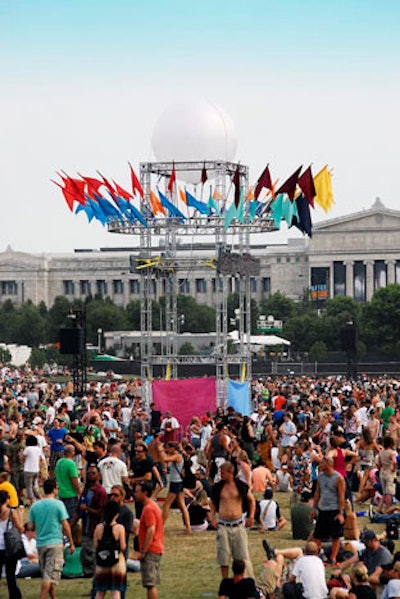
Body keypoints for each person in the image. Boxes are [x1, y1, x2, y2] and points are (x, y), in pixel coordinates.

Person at [28, 478, 75, 599]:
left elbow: (30, 526)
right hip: (55, 543)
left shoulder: (35, 506)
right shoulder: (58, 504)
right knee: (50, 575)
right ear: (54, 489)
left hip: (41, 543)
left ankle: (53, 597)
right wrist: (71, 542)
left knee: (47, 573)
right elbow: (65, 525)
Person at [211, 460, 255, 579]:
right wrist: (212, 517)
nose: (221, 474)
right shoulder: (218, 487)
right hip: (223, 525)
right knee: (223, 557)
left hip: (238, 525)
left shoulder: (240, 486)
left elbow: (251, 500)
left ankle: (243, 581)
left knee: (242, 556)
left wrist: (251, 516)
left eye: (223, 472)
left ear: (231, 472)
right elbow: (213, 503)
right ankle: (225, 581)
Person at [71, 464, 107, 578]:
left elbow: (101, 511)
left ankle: (95, 574)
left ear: (99, 475)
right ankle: (88, 573)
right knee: (85, 552)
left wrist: (87, 509)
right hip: (86, 526)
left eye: (93, 473)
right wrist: (71, 524)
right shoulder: (86, 490)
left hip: (95, 527)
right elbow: (78, 509)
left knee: (92, 552)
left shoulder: (101, 492)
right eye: (89, 473)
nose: (90, 475)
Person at [310, 455, 346, 566]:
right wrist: (314, 508)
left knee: (335, 536)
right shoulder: (320, 477)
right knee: (318, 535)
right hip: (323, 509)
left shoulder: (338, 478)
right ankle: (315, 555)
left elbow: (341, 496)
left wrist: (340, 513)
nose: (320, 465)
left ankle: (333, 558)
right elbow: (317, 493)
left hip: (334, 509)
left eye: (322, 463)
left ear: (329, 464)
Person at [133, 480, 164, 599]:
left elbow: (151, 530)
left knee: (150, 584)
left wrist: (143, 551)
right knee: (151, 583)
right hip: (155, 548)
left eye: (137, 492)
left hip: (151, 550)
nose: (134, 494)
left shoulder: (149, 509)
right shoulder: (151, 506)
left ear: (145, 493)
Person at [93, 500, 127, 599]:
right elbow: (123, 546)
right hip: (116, 563)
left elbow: (95, 545)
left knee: (100, 592)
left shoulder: (98, 528)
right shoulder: (120, 528)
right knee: (115, 592)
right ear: (117, 514)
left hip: (102, 562)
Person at [161, 442, 191, 534]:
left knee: (166, 505)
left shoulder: (177, 456)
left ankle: (160, 526)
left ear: (173, 448)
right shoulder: (178, 455)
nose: (167, 450)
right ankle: (188, 528)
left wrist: (161, 450)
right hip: (179, 482)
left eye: (168, 448)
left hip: (176, 483)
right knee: (182, 506)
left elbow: (165, 459)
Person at [0, 489, 24, 598]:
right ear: (6, 500)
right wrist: (21, 514)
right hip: (9, 547)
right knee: (10, 576)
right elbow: (20, 528)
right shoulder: (11, 512)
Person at [55, 444, 81, 520]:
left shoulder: (59, 462)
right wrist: (79, 492)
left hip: (61, 493)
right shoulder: (71, 464)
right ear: (72, 452)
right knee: (71, 517)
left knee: (63, 517)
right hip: (70, 494)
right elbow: (74, 479)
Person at [377, 436, 397, 513]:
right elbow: (394, 461)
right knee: (389, 492)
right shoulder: (392, 453)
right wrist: (394, 468)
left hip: (382, 471)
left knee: (384, 492)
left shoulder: (381, 452)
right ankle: (387, 509)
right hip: (389, 472)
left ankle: (379, 508)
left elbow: (379, 464)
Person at [23, 433, 43, 504]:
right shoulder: (38, 449)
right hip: (36, 469)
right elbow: (40, 459)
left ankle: (32, 502)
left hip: (28, 469)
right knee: (34, 486)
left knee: (29, 487)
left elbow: (23, 458)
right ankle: (40, 498)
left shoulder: (27, 449)